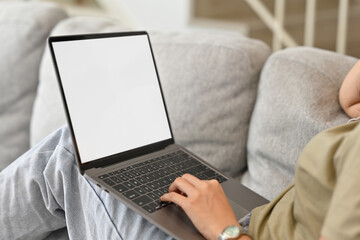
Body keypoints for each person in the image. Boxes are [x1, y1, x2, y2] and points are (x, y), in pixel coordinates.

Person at [1, 60, 360, 240]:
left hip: (234, 234)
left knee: (70, 153)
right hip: (251, 220)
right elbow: (352, 97)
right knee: (68, 217)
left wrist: (225, 229)